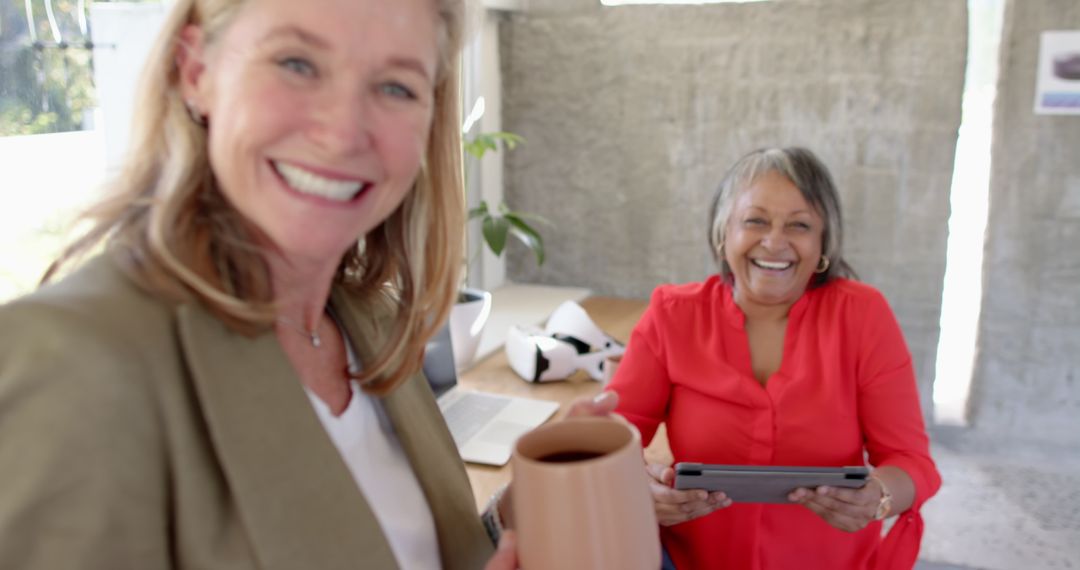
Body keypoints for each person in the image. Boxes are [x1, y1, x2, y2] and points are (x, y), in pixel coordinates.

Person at [0, 0, 614, 567]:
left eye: (396, 86)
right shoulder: (68, 362)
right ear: (196, 72)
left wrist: (515, 513)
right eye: (296, 62)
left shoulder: (369, 323)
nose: (343, 132)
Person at [606, 147, 942, 570]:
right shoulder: (673, 315)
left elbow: (912, 461)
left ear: (823, 243)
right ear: (722, 233)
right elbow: (612, 439)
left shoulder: (862, 316)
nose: (775, 242)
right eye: (755, 221)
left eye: (799, 225)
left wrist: (880, 495)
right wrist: (639, 486)